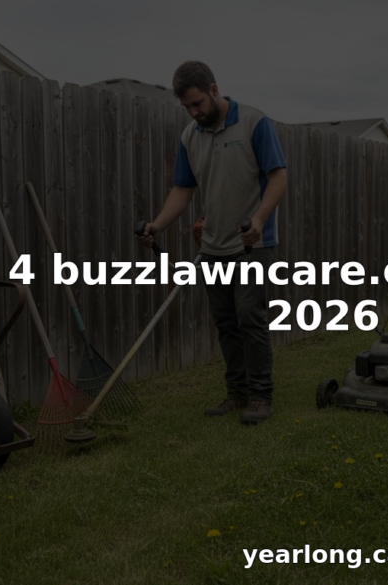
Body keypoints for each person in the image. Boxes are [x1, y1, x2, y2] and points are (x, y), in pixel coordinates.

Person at [138, 61, 287, 424]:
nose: (194, 112)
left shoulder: (254, 122)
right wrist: (158, 224)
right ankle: (236, 392)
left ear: (214, 90)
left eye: (197, 103)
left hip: (252, 243)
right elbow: (182, 190)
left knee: (251, 317)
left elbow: (278, 176)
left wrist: (259, 221)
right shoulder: (191, 136)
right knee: (226, 323)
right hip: (213, 247)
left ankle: (260, 396)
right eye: (187, 107)